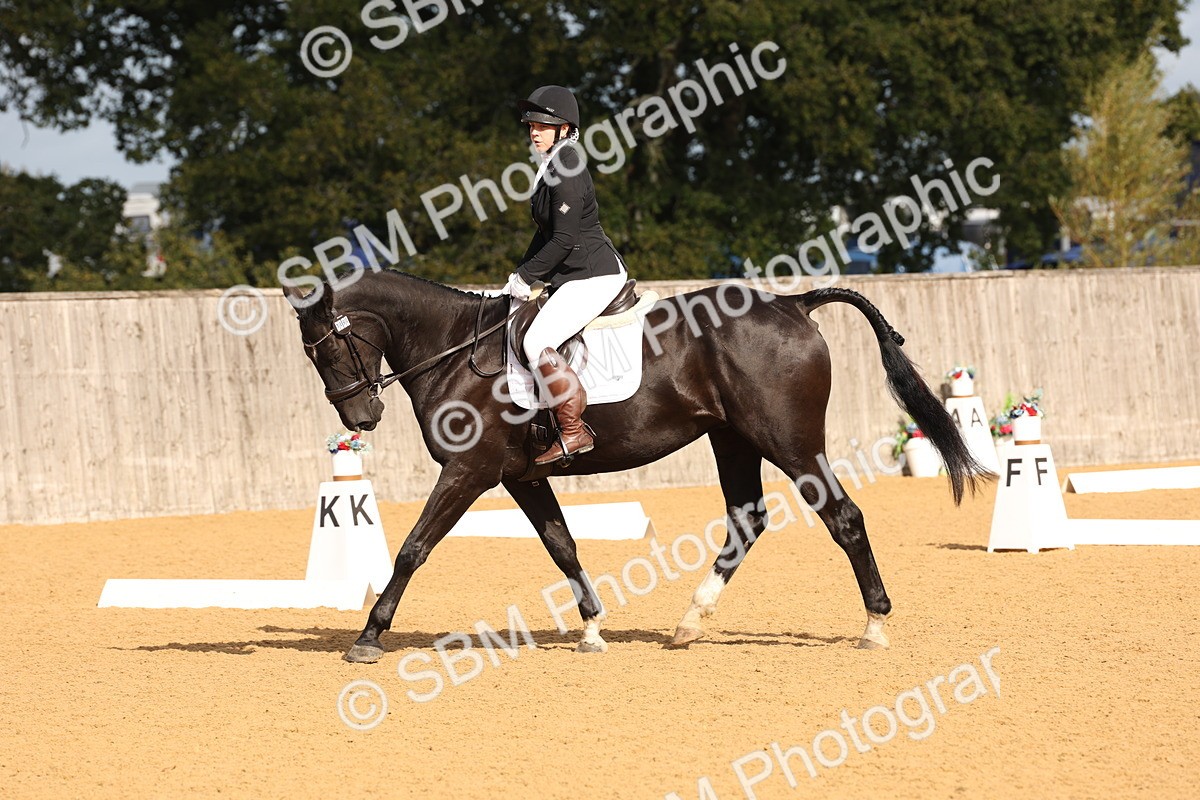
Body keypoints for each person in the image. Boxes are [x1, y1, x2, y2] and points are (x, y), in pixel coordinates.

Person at [504, 85, 629, 465]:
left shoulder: (568, 166)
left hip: (593, 275)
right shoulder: (551, 164)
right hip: (572, 274)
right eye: (532, 125)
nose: (535, 131)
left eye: (544, 124)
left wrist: (528, 276)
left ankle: (573, 431)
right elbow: (544, 234)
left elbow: (564, 238)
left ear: (565, 128)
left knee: (536, 340)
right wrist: (518, 274)